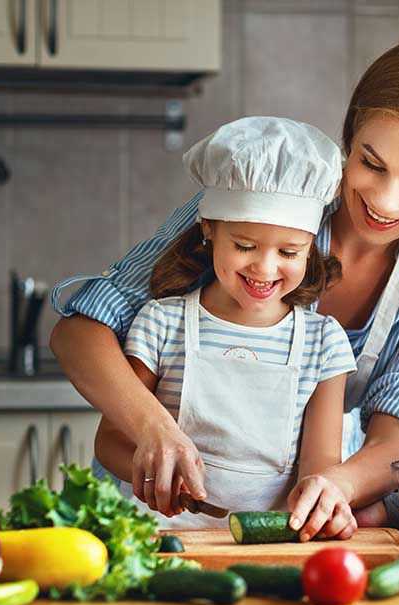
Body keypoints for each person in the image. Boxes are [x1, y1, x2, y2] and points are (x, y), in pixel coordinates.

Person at [49, 35, 399, 540]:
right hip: (146, 517)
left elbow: (393, 439)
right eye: (371, 164)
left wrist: (334, 486)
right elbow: (79, 333)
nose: (384, 200)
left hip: (273, 526)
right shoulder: (262, 200)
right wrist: (154, 432)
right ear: (352, 130)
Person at [94, 117, 356, 528]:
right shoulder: (163, 323)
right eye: (245, 245)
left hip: (266, 544)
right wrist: (153, 477)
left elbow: (319, 469)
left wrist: (319, 506)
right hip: (161, 536)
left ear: (311, 249)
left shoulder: (323, 343)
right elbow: (110, 440)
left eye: (290, 252)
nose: (265, 268)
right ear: (209, 230)